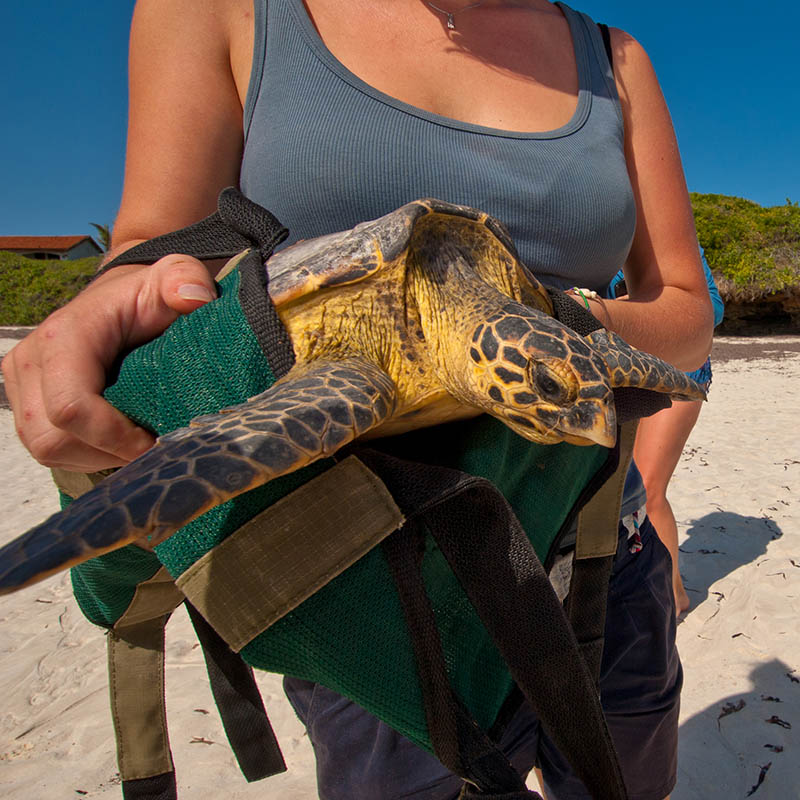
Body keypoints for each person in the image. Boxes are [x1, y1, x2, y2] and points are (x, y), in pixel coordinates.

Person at [2, 1, 714, 797]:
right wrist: (117, 296)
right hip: (372, 575)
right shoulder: (223, 10)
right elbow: (159, 245)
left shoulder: (615, 56)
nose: (566, 400)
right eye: (550, 390)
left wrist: (551, 324)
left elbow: (686, 308)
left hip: (600, 545)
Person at [608, 255, 724, 615]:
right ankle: (666, 591)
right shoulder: (596, 239)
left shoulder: (660, 238)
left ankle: (672, 600)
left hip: (679, 371)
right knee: (623, 493)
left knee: (649, 489)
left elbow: (712, 309)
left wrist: (610, 307)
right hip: (627, 372)